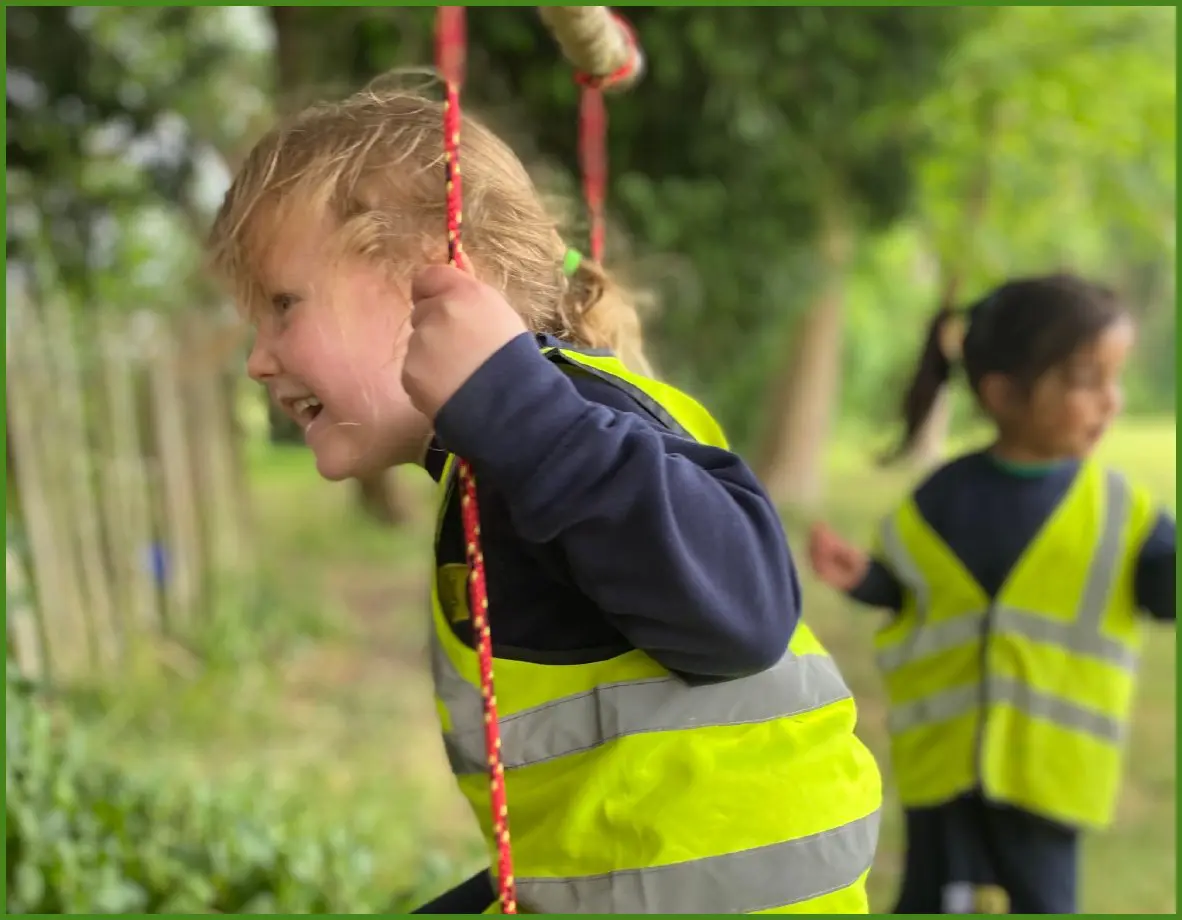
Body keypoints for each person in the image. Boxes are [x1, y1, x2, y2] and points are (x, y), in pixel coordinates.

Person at [207, 80, 882, 915]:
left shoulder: (565, 426)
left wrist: (520, 412)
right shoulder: (517, 453)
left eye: (282, 306)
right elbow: (590, 831)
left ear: (440, 272)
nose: (259, 360)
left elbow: (745, 611)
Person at [808, 275, 1177, 915]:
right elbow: (909, 588)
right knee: (928, 901)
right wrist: (863, 577)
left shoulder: (1122, 514)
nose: (1111, 403)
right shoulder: (939, 500)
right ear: (1003, 393)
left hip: (1049, 776)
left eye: (1115, 381)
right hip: (944, 767)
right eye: (1089, 381)